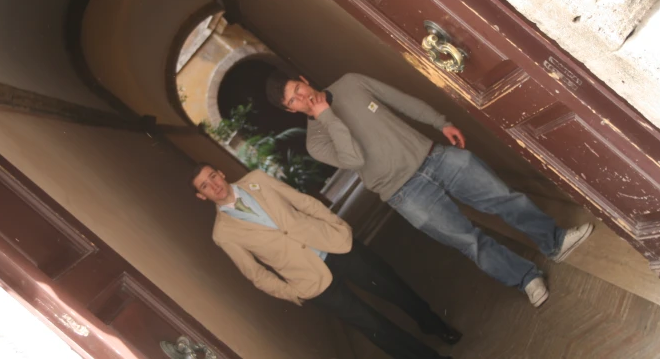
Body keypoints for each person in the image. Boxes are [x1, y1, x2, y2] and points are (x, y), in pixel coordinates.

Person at [265, 71, 594, 308]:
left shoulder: (350, 82)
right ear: (291, 110)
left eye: (298, 88)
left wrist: (441, 121)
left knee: (504, 198)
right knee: (469, 241)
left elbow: (402, 101)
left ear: (304, 79)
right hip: (404, 193)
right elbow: (353, 157)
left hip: (435, 157)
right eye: (293, 100)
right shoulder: (316, 141)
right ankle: (525, 278)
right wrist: (326, 116)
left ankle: (554, 241)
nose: (302, 98)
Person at [191, 163, 461, 359]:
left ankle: (434, 325)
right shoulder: (223, 234)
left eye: (212, 175)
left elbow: (304, 202)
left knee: (393, 287)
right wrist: (292, 293)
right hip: (310, 282)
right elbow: (255, 274)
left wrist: (338, 225)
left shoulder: (258, 179)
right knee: (373, 326)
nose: (214, 184)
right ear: (201, 196)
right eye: (205, 185)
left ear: (221, 173)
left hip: (334, 246)